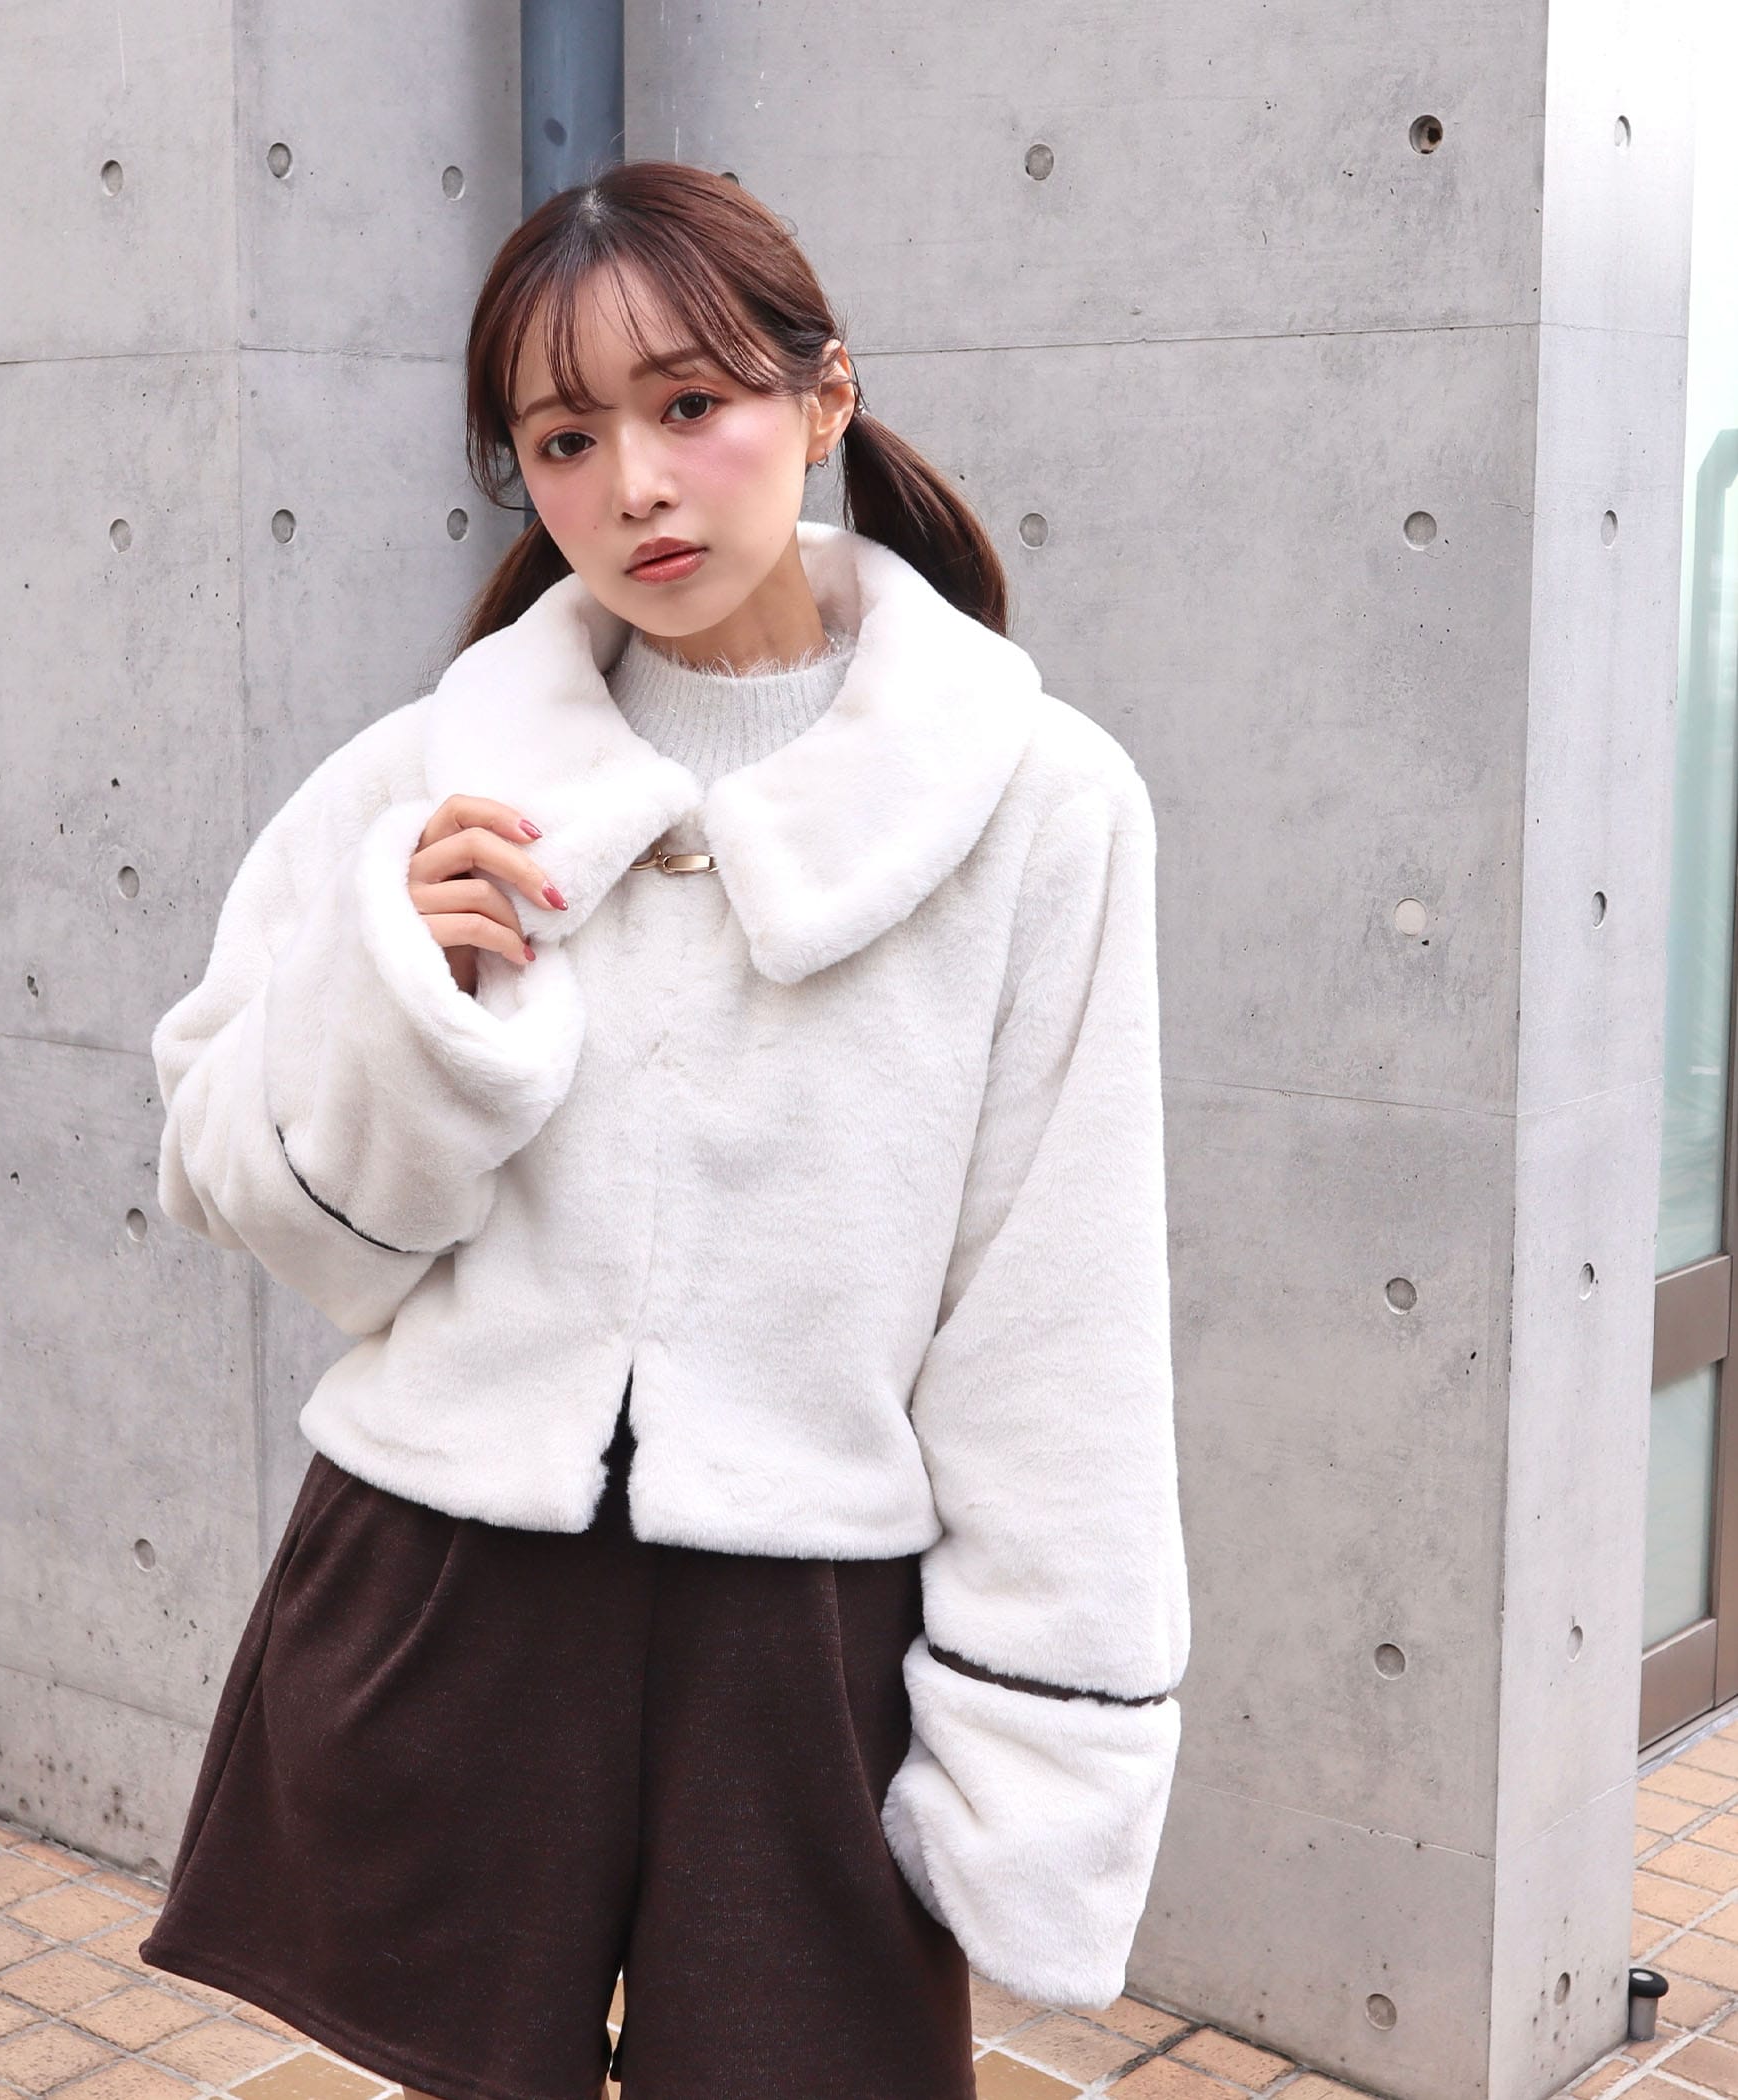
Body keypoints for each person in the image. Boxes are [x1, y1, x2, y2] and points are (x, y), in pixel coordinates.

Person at [134, 158, 1190, 2100]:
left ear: (825, 395)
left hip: (802, 1638)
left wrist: (1040, 1740)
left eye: (691, 404)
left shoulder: (1038, 803)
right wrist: (400, 987)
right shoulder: (425, 782)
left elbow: (1061, 1317)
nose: (632, 484)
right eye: (563, 439)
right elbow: (238, 1179)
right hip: (446, 1585)